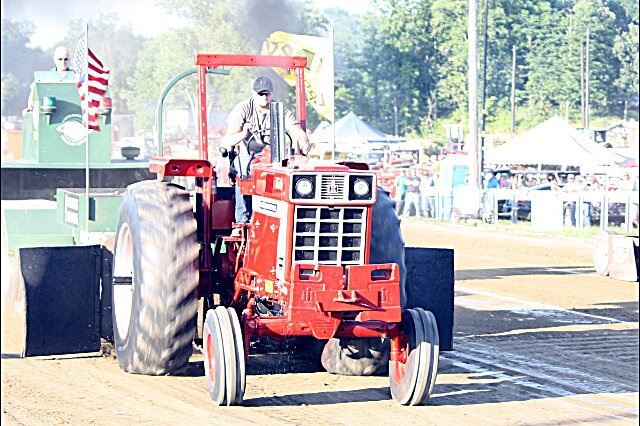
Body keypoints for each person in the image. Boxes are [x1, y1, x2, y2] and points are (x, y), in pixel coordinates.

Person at [223, 76, 310, 225]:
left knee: (286, 172)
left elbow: (297, 131)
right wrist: (243, 134)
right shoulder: (243, 108)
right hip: (247, 154)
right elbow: (229, 140)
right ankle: (242, 219)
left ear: (272, 93)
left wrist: (304, 141)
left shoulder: (279, 110)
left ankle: (282, 217)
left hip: (271, 155)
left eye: (267, 93)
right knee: (242, 170)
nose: (264, 97)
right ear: (253, 93)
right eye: (260, 93)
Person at [23, 46, 72, 115]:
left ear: (69, 60)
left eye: (65, 59)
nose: (63, 62)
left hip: (71, 112)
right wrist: (30, 108)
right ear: (54, 60)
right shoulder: (46, 76)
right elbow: (34, 90)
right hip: (51, 113)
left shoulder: (75, 76)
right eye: (60, 59)